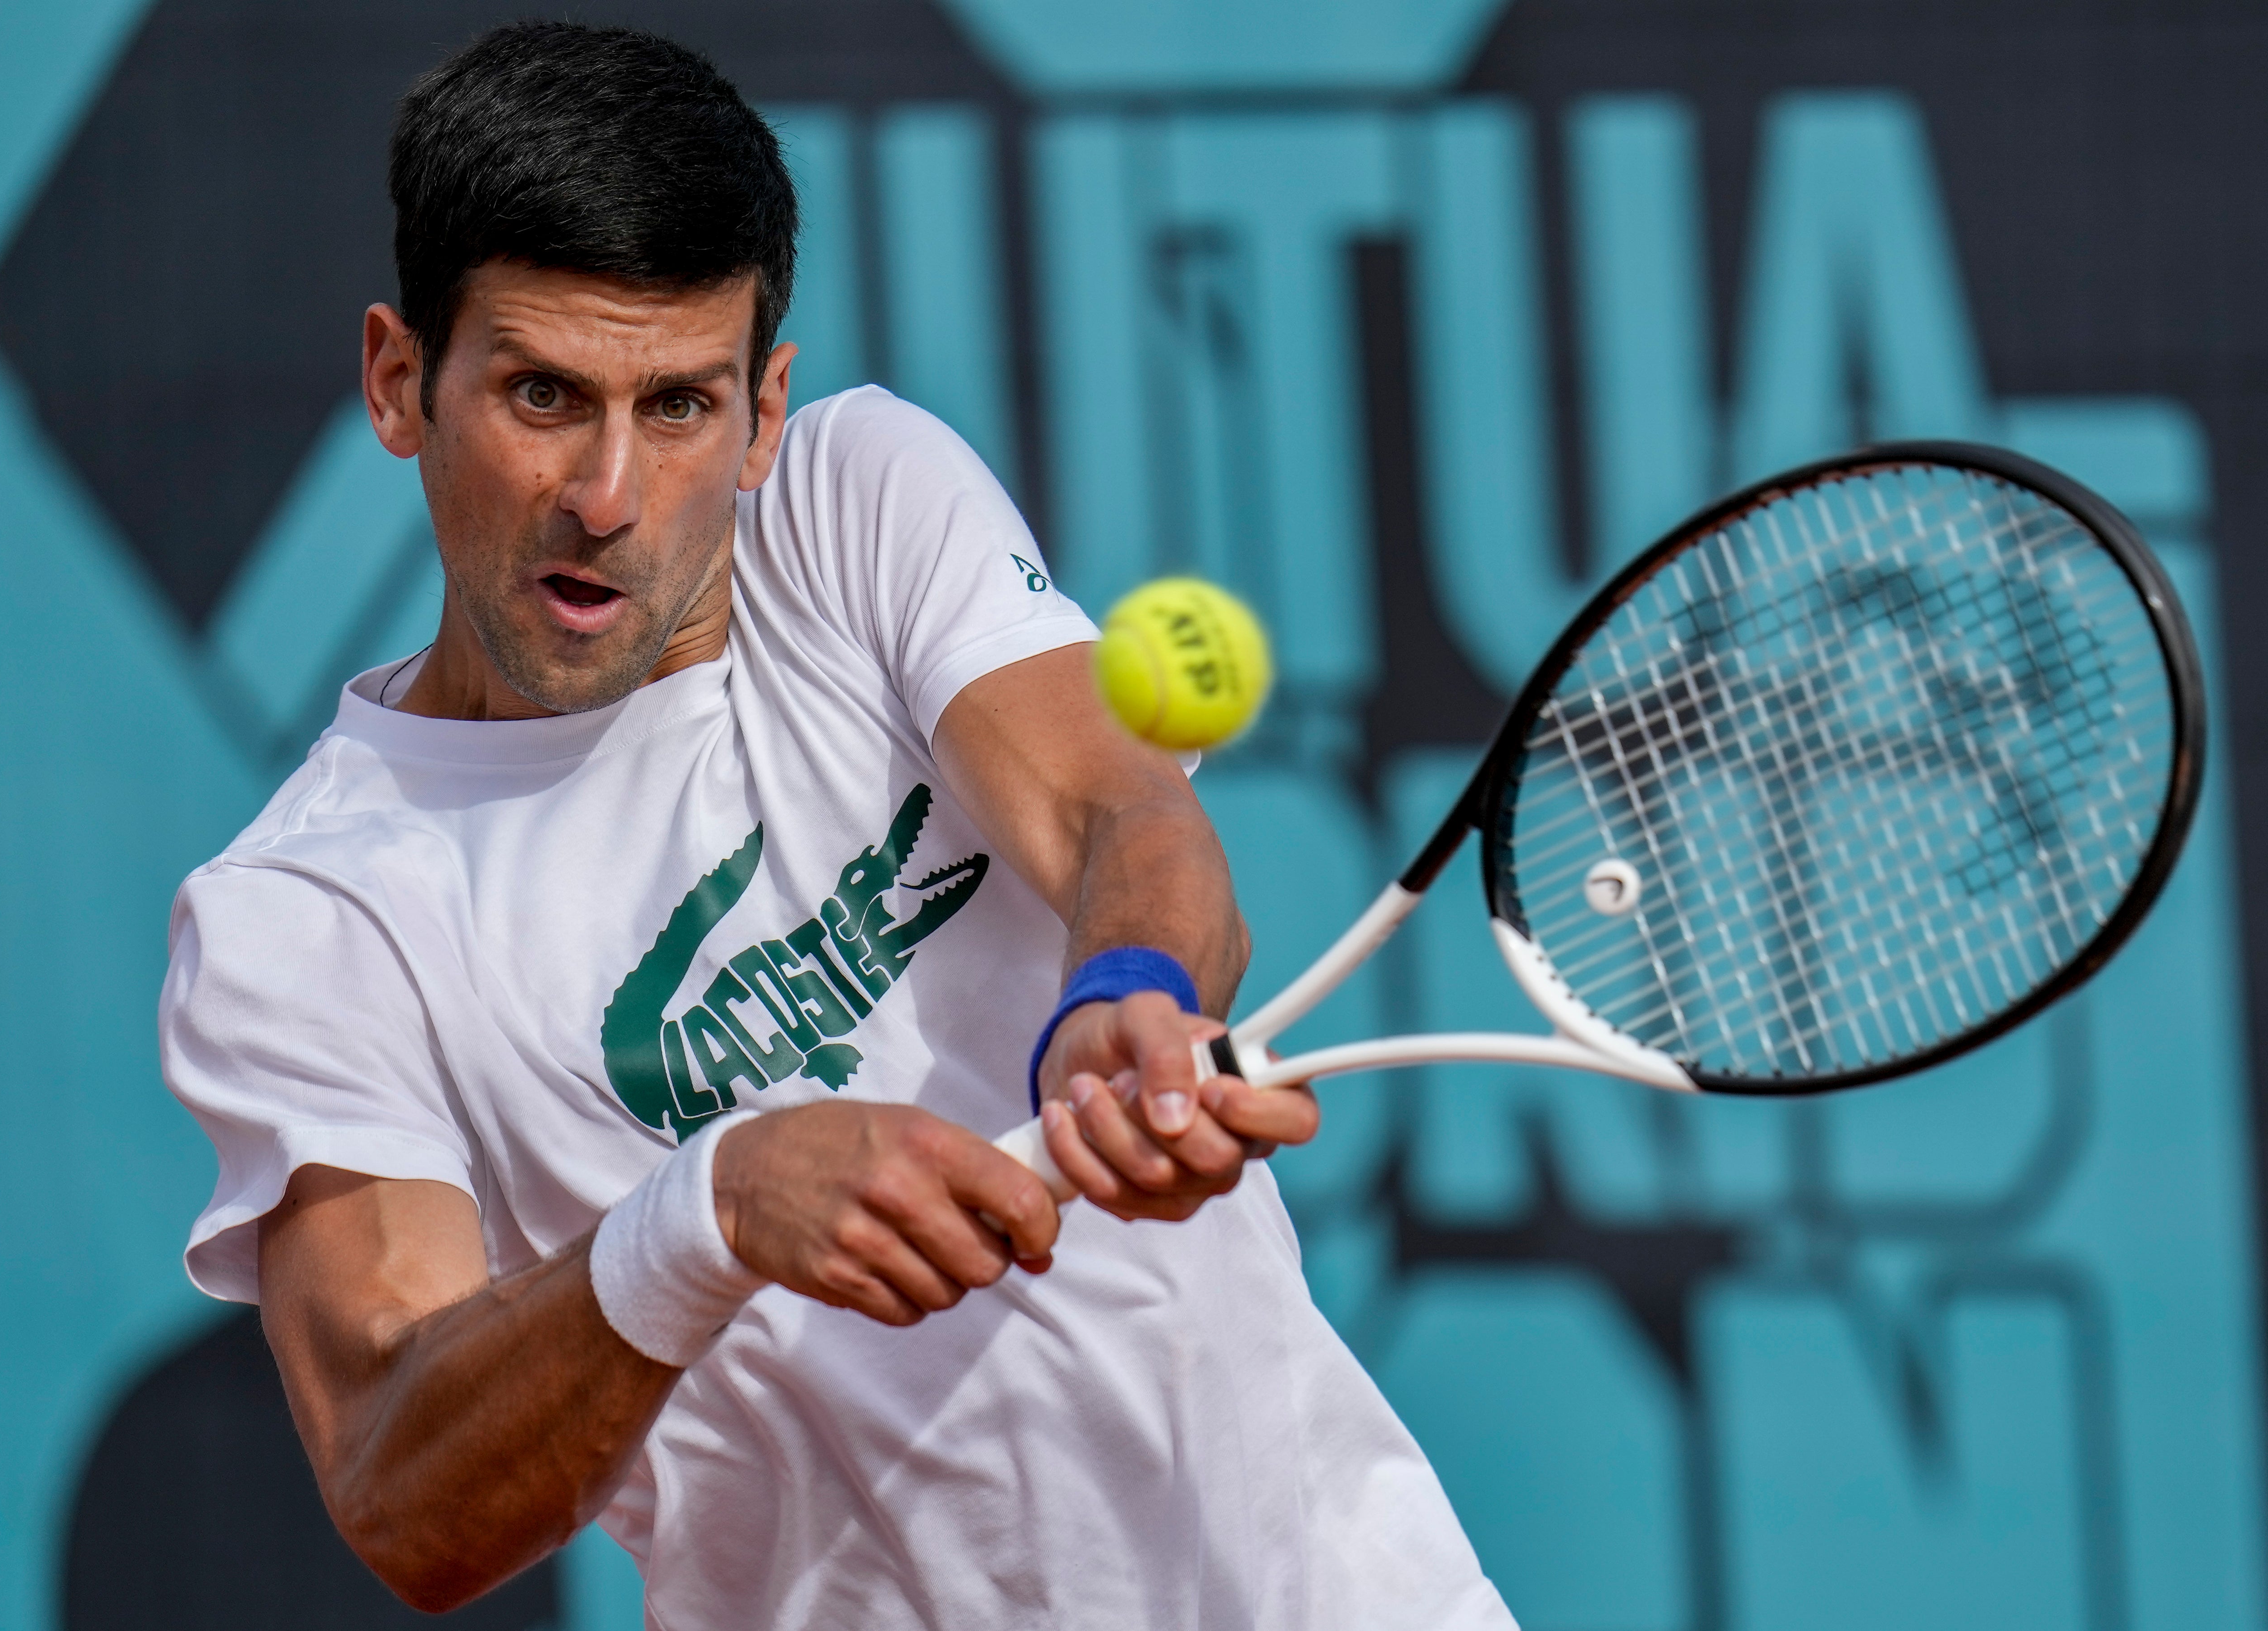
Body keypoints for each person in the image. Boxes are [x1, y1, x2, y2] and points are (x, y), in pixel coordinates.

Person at [160, 21, 1515, 1629]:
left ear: (766, 412)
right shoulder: (305, 922)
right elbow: (405, 1487)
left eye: (679, 407)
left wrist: (1127, 998)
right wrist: (706, 1214)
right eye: (542, 394)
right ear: (401, 383)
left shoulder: (855, 501)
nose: (606, 490)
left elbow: (1113, 803)